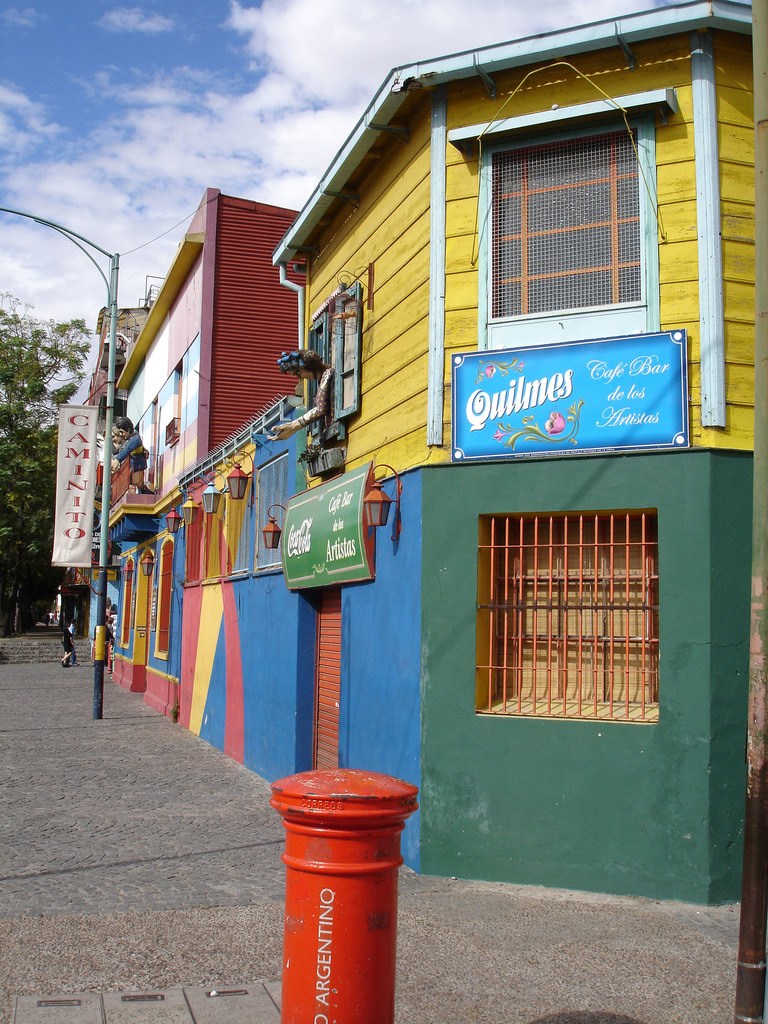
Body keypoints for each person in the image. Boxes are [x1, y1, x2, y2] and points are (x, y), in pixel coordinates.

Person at [269, 350, 334, 441]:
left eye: (298, 373)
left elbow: (320, 409)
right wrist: (291, 429)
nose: (300, 377)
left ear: (307, 367)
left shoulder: (327, 375)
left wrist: (292, 426)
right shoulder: (322, 380)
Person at [111, 416, 151, 493]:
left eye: (122, 432)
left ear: (128, 430)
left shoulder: (135, 438)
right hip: (131, 466)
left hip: (137, 465)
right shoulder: (128, 439)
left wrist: (117, 459)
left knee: (138, 483)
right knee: (134, 483)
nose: (121, 434)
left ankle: (145, 492)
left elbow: (129, 448)